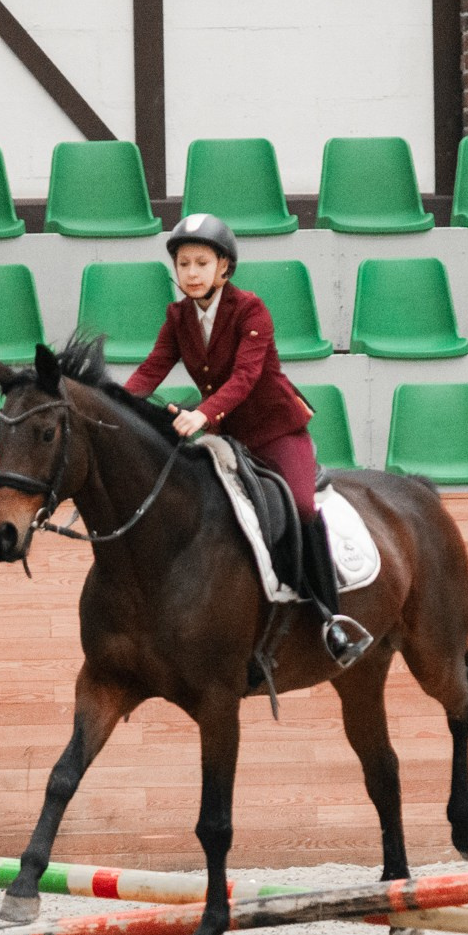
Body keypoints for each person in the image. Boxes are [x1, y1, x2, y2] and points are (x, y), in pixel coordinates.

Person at [124, 213, 372, 668]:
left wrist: (202, 413)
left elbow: (244, 377)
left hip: (274, 430)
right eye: (183, 264)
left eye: (202, 262)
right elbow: (152, 368)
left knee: (299, 505)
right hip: (227, 432)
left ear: (224, 268)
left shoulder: (250, 310)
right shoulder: (177, 316)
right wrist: (116, 405)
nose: (192, 273)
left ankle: (333, 620)